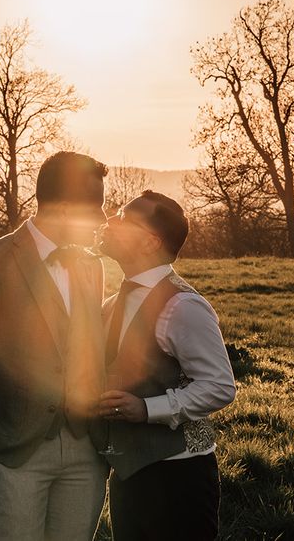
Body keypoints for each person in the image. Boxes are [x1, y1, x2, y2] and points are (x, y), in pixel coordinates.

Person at [0, 151, 110, 541]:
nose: (102, 220)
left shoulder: (92, 266)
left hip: (86, 451)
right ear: (66, 208)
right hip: (13, 452)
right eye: (96, 208)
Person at [96, 191, 236, 541]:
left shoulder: (184, 306)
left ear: (150, 242)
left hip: (179, 477)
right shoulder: (112, 302)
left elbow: (219, 385)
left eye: (125, 218)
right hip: (127, 475)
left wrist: (148, 409)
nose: (110, 221)